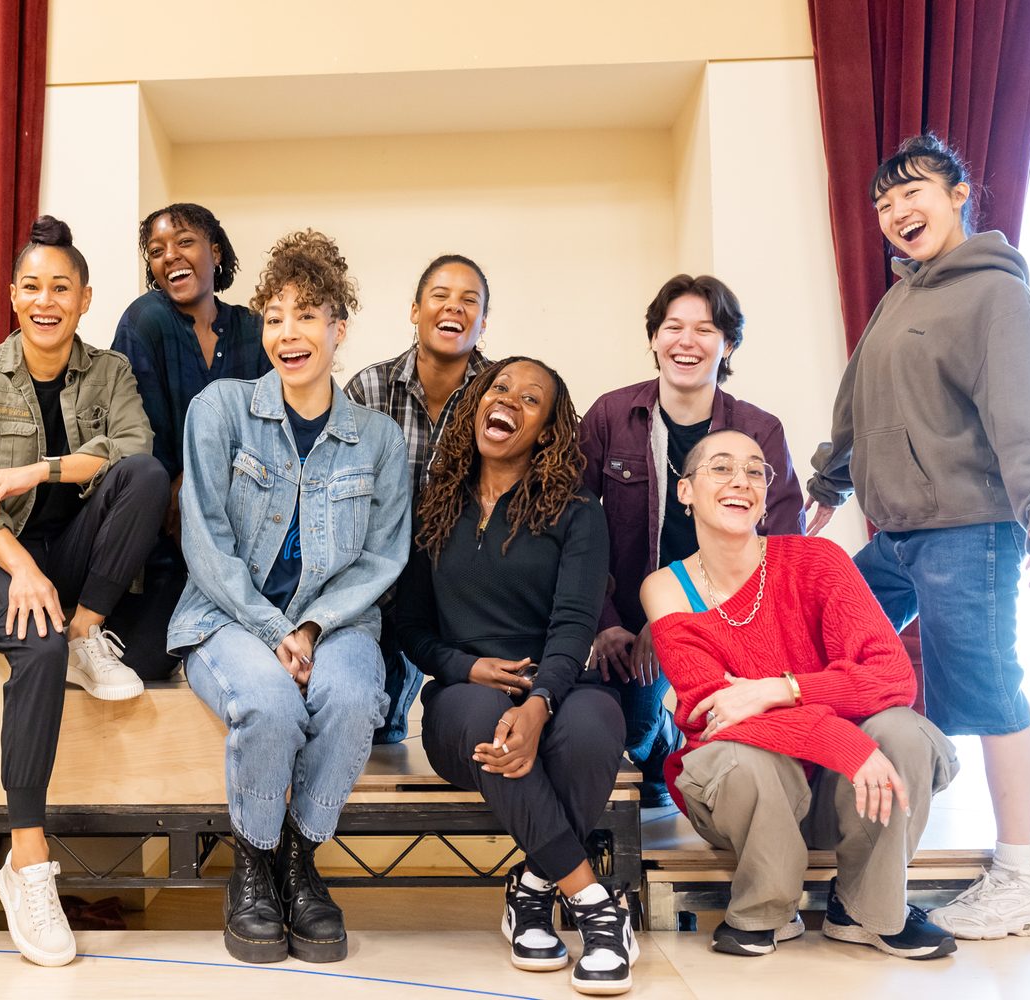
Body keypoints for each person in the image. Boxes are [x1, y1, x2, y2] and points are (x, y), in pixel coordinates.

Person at [805, 133, 1030, 940]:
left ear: (960, 193)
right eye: (884, 205)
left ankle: (1018, 877)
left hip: (972, 529)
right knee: (833, 645)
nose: (897, 213)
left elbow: (1025, 404)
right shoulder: (901, 298)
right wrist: (831, 481)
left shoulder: (993, 295)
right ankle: (848, 841)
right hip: (899, 534)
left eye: (913, 193)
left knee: (987, 691)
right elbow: (857, 400)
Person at [0, 215, 168, 967]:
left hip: (67, 561)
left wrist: (42, 469)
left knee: (147, 478)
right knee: (33, 645)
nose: (45, 300)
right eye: (31, 286)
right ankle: (27, 862)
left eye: (60, 288)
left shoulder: (111, 372)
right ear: (10, 296)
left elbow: (133, 453)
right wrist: (21, 570)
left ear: (86, 299)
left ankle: (88, 630)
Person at [168, 230, 411, 965]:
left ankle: (300, 864)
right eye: (274, 316)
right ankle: (252, 864)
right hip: (226, 617)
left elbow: (382, 557)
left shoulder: (379, 440)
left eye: (308, 314)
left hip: (336, 624)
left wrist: (309, 626)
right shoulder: (220, 411)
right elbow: (205, 541)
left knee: (347, 700)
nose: (288, 332)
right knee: (269, 704)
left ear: (339, 329)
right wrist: (275, 628)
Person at [642, 429, 959, 960]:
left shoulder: (817, 561)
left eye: (754, 470)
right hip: (749, 801)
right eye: (720, 468)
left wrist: (779, 689)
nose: (740, 481)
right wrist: (846, 741)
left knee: (903, 731)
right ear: (686, 492)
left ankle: (868, 911)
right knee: (742, 757)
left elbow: (892, 676)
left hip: (845, 796)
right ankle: (765, 911)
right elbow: (709, 711)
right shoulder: (666, 588)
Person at [399, 357, 637, 995]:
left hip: (559, 684)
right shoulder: (434, 504)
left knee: (596, 725)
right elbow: (410, 627)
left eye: (531, 400)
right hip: (461, 703)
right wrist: (465, 666)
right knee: (487, 721)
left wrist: (539, 705)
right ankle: (594, 904)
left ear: (547, 429)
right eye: (500, 388)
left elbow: (574, 625)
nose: (509, 401)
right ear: (478, 400)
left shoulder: (577, 512)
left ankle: (532, 894)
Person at [580, 274, 803, 807]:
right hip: (626, 621)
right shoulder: (612, 416)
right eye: (673, 327)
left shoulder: (759, 430)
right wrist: (607, 622)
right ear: (654, 338)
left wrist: (677, 619)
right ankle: (659, 743)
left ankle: (684, 754)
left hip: (724, 618)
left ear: (728, 344)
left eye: (706, 329)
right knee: (621, 730)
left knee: (730, 729)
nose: (687, 341)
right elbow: (572, 527)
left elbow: (783, 545)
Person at [111, 203, 272, 680]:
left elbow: (269, 429)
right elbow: (138, 429)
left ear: (215, 251)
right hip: (165, 532)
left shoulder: (253, 329)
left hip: (244, 530)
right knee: (144, 661)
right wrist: (183, 482)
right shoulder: (146, 320)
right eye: (156, 250)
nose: (170, 256)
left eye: (184, 242)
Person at [345, 254, 493, 743]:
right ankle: (397, 672)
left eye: (469, 301)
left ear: (483, 322)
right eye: (441, 296)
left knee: (469, 720)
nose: (454, 307)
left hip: (465, 582)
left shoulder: (500, 395)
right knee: (377, 731)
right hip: (378, 580)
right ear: (414, 310)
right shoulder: (368, 388)